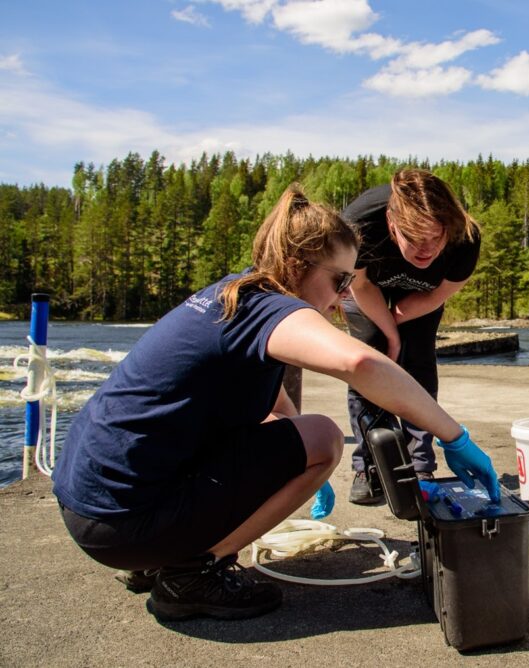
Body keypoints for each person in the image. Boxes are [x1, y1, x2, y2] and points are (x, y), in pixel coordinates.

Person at [52, 184, 500, 622]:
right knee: (324, 437)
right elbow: (361, 363)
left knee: (304, 436)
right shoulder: (269, 308)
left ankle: (159, 557)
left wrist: (291, 468)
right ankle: (189, 573)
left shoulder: (234, 294)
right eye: (338, 279)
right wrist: (453, 436)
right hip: (122, 522)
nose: (345, 294)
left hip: (92, 506)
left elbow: (268, 397)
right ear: (295, 265)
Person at [340, 169, 481, 505]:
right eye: (415, 238)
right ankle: (370, 465)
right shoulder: (358, 226)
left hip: (421, 296)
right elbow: (360, 286)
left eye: (436, 238)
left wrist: (401, 331)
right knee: (368, 362)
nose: (426, 250)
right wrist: (389, 334)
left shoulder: (466, 238)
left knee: (417, 361)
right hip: (368, 289)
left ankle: (420, 466)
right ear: (391, 223)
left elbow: (436, 296)